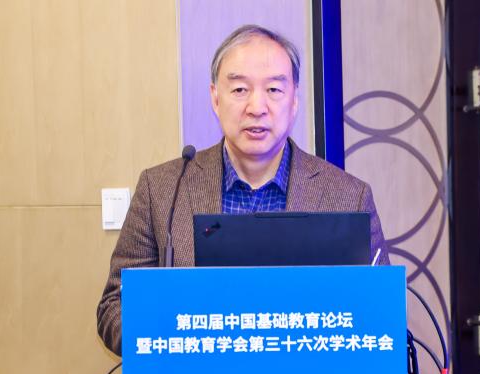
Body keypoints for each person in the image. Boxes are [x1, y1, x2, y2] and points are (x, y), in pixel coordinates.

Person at [97, 24, 389, 356]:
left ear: (294, 99)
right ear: (215, 97)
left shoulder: (348, 197)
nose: (256, 107)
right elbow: (114, 307)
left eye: (274, 90)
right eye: (239, 89)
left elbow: (380, 317)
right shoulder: (163, 189)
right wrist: (176, 341)